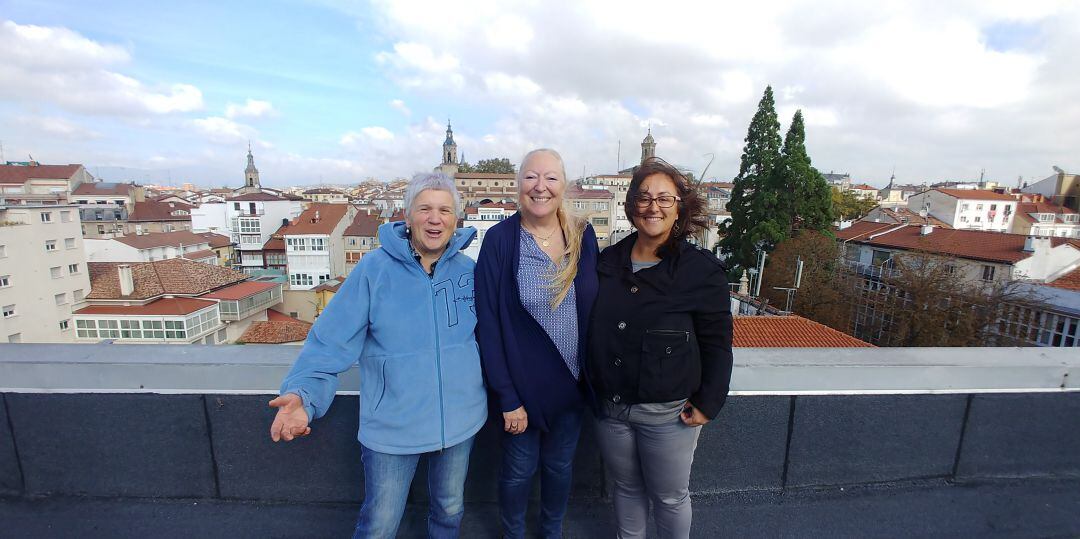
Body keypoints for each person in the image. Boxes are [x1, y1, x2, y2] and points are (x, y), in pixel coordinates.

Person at [268, 172, 487, 539]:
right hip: (393, 426)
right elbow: (330, 340)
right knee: (379, 525)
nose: (436, 218)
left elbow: (494, 338)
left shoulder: (469, 272)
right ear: (407, 216)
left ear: (456, 220)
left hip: (461, 420)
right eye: (426, 209)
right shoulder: (373, 270)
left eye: (445, 210)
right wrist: (304, 394)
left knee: (450, 511)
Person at [587, 157, 734, 539]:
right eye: (644, 197)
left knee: (669, 498)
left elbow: (718, 343)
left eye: (665, 199)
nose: (653, 206)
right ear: (631, 204)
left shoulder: (701, 271)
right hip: (611, 409)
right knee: (625, 489)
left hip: (668, 415)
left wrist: (709, 402)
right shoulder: (606, 262)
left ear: (680, 208)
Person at [474, 148, 599, 539]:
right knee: (519, 469)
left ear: (564, 186)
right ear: (518, 185)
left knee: (560, 468)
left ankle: (551, 532)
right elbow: (488, 325)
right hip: (522, 391)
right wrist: (507, 396)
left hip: (571, 385)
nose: (540, 187)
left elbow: (597, 307)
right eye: (531, 177)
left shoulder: (582, 235)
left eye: (550, 178)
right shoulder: (500, 241)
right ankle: (513, 534)